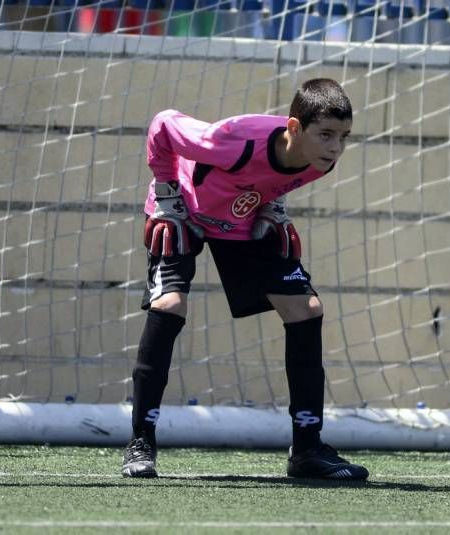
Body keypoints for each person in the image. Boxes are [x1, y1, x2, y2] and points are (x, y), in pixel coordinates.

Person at [122, 78, 369, 481]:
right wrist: (167, 197)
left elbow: (273, 180)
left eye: (343, 137)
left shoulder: (320, 160)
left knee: (306, 309)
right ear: (294, 128)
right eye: (326, 135)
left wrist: (273, 207)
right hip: (181, 210)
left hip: (240, 221)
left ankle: (307, 448)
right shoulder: (233, 140)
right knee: (169, 303)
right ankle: (140, 441)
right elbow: (163, 125)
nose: (335, 147)